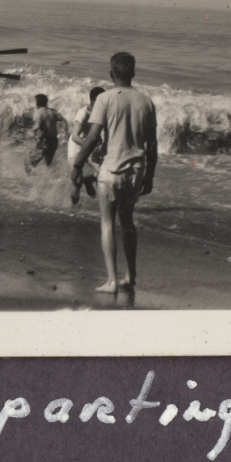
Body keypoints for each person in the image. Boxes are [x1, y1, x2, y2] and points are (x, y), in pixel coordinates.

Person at [70, 53, 158, 294]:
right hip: (136, 170)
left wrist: (78, 164)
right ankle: (130, 276)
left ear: (111, 74)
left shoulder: (105, 99)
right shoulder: (146, 101)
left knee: (107, 223)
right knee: (127, 221)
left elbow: (91, 138)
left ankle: (111, 281)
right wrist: (149, 176)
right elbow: (153, 145)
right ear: (133, 74)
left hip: (110, 171)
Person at [67, 86, 106, 204]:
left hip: (89, 147)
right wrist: (91, 145)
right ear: (94, 100)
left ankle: (88, 180)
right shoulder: (83, 113)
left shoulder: (101, 114)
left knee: (104, 172)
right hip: (76, 147)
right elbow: (75, 136)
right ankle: (73, 210)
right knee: (77, 183)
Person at [25, 94, 63, 172]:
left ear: (37, 103)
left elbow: (37, 126)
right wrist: (65, 133)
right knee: (48, 163)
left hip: (45, 141)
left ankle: (29, 180)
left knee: (30, 162)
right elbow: (63, 121)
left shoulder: (39, 112)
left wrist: (30, 131)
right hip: (54, 141)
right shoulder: (52, 111)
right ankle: (54, 179)